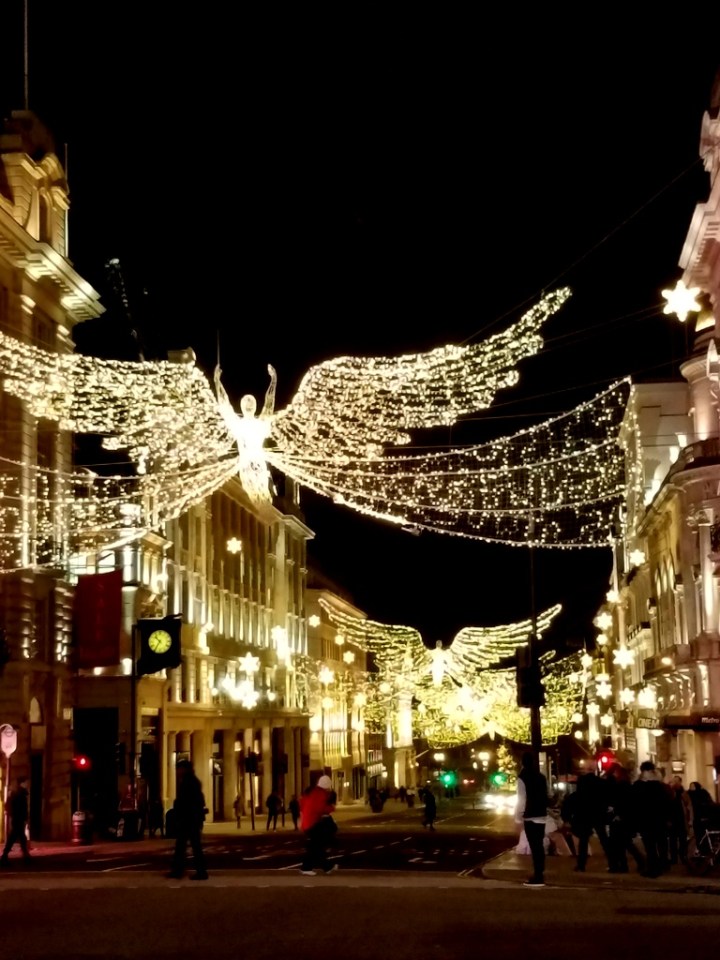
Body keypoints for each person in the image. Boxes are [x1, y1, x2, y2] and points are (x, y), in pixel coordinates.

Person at [167, 759, 208, 880]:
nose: (177, 771)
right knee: (191, 845)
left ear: (184, 769)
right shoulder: (192, 781)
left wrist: (178, 808)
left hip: (188, 818)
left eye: (179, 768)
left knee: (184, 845)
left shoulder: (188, 782)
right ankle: (190, 870)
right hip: (192, 818)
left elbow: (186, 801)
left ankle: (181, 870)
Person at [515, 752, 550, 887]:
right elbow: (548, 794)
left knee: (534, 846)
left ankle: (538, 876)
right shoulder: (541, 777)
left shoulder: (522, 778)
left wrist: (518, 817)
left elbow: (522, 799)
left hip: (530, 815)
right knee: (539, 846)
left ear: (522, 763)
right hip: (541, 814)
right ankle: (539, 871)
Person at [605, 762, 645, 874]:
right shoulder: (624, 784)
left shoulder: (622, 786)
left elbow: (623, 802)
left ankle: (625, 865)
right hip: (623, 818)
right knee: (624, 843)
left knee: (620, 843)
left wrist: (617, 813)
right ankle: (627, 864)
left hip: (620, 819)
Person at [299, 775, 338, 876]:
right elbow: (320, 808)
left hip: (306, 823)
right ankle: (314, 867)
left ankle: (325, 866)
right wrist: (331, 808)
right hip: (313, 823)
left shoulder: (310, 792)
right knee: (317, 845)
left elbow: (302, 804)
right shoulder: (321, 794)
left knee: (315, 846)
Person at [0, 777, 31, 864]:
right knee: (16, 837)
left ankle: (25, 856)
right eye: (25, 783)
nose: (27, 785)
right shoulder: (19, 794)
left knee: (19, 837)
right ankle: (6, 855)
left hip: (17, 818)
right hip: (18, 819)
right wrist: (24, 817)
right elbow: (21, 808)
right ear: (21, 783)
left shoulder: (19, 794)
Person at [668, 775, 693, 865]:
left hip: (682, 820)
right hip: (673, 820)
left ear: (680, 782)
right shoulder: (670, 793)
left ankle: (683, 856)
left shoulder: (684, 793)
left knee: (683, 840)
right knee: (672, 840)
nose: (674, 783)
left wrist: (690, 820)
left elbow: (689, 806)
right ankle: (674, 858)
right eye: (673, 781)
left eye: (676, 781)